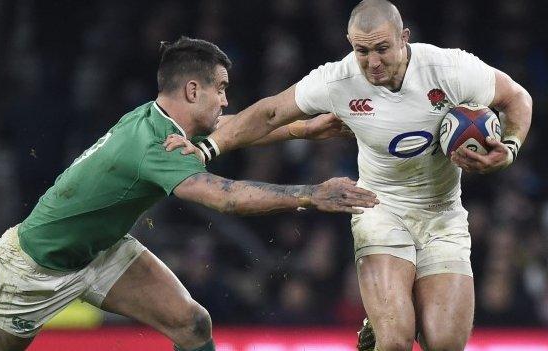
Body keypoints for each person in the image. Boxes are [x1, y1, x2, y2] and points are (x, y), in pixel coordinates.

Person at [0, 37, 378, 351]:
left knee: (192, 324)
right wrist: (312, 193)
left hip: (102, 251)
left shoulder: (159, 120)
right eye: (221, 89)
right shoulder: (153, 146)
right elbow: (224, 197)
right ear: (192, 89)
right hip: (35, 267)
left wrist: (303, 128)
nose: (226, 100)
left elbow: (233, 127)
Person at [174, 1, 532, 350]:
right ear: (350, 44)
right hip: (380, 208)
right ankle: (386, 319)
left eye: (382, 49)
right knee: (395, 339)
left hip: (443, 215)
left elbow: (517, 97)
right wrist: (210, 147)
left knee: (446, 343)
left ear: (403, 37)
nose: (372, 62)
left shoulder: (449, 68)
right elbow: (270, 114)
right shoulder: (339, 80)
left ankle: (386, 314)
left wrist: (510, 148)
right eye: (362, 51)